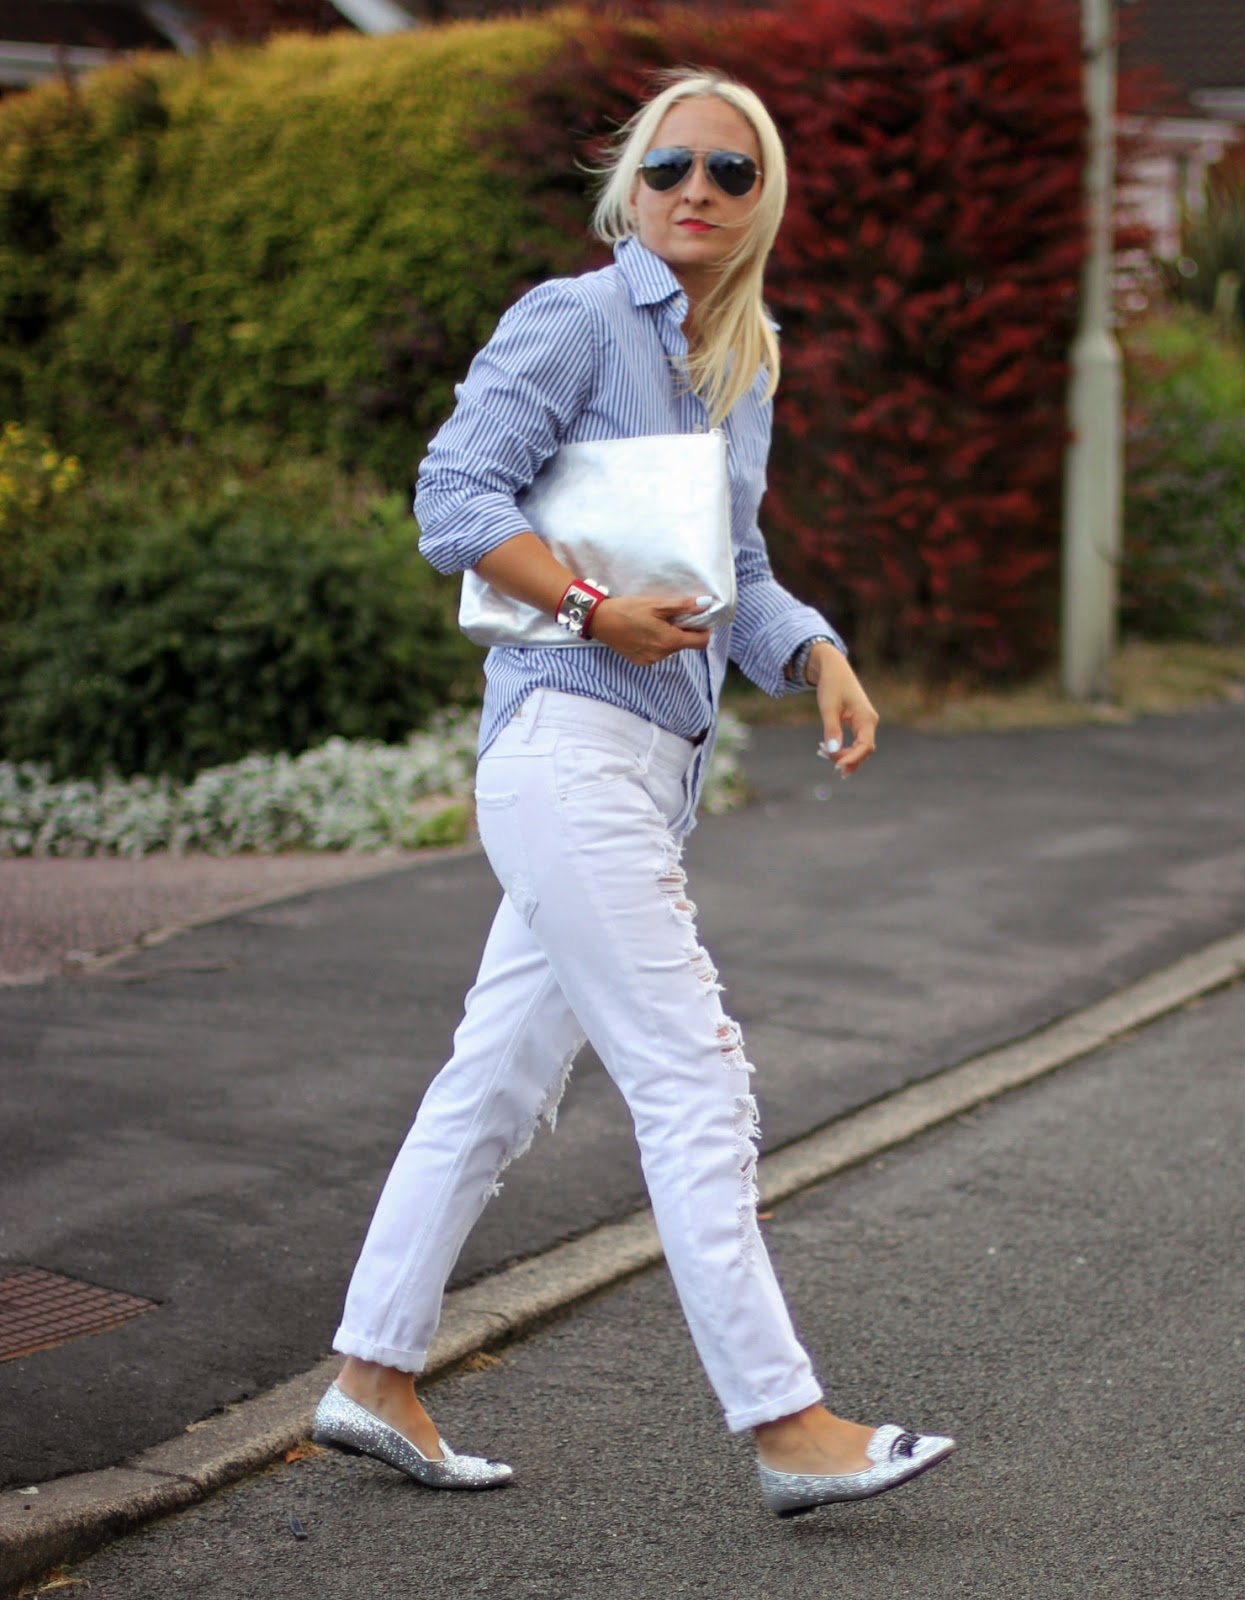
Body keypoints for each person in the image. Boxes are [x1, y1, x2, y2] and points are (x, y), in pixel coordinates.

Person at [314, 68, 954, 1518]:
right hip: (565, 745)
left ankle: (371, 1374)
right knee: (693, 1078)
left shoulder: (743, 361)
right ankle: (786, 1422)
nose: (696, 192)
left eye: (731, 172)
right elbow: (452, 499)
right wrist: (591, 608)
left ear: (762, 199)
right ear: (631, 184)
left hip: (646, 768)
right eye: (670, 167)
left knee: (494, 1085)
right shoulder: (576, 317)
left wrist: (819, 653)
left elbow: (737, 570)